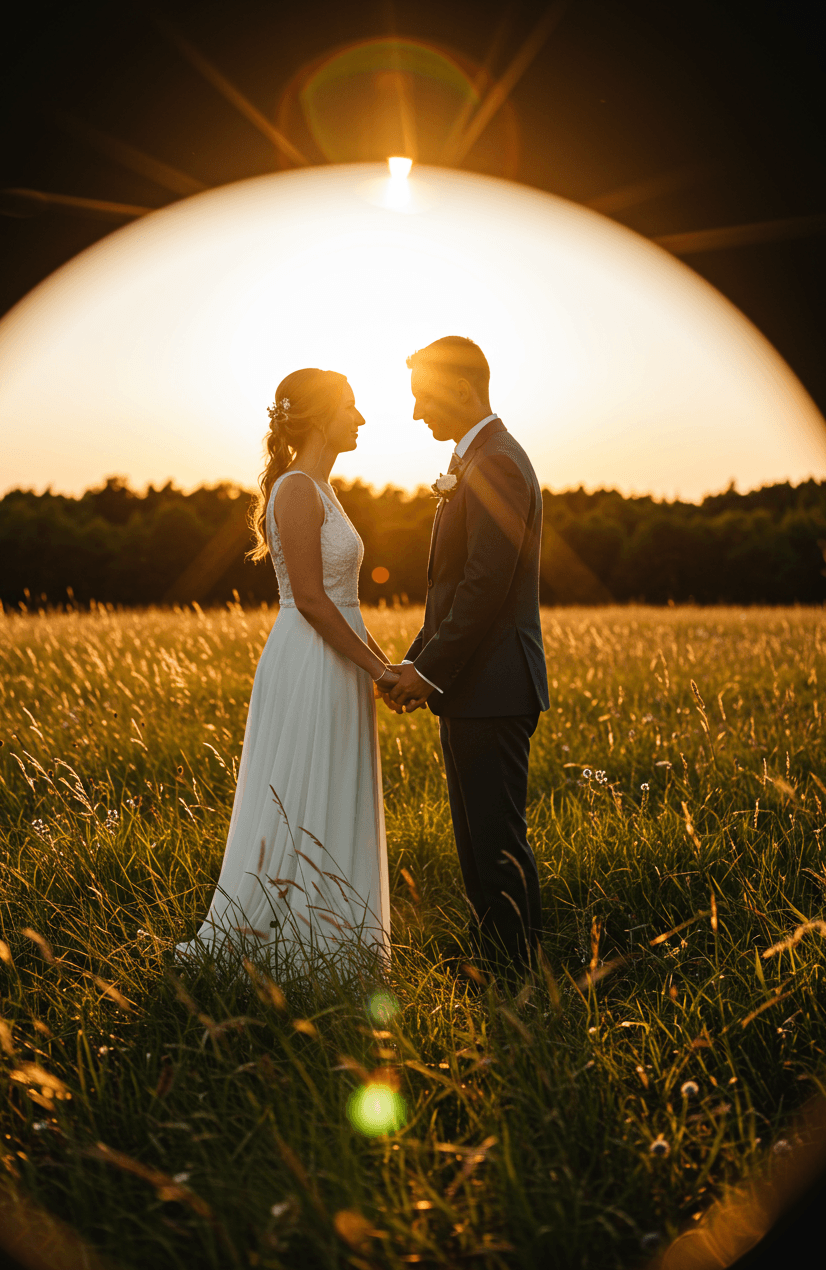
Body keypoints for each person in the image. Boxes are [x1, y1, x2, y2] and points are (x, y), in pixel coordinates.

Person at [176, 369, 396, 964]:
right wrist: (380, 674)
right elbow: (312, 599)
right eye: (352, 407)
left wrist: (386, 666)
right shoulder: (297, 488)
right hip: (310, 660)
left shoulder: (321, 488)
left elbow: (345, 603)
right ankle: (293, 947)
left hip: (337, 655)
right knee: (302, 786)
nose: (362, 418)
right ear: (322, 417)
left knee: (332, 781)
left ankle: (332, 938)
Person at [384, 336, 549, 976]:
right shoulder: (477, 458)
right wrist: (415, 663)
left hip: (495, 686)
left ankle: (518, 982)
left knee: (496, 845)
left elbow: (486, 585)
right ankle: (497, 967)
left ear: (460, 389)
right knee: (477, 846)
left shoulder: (499, 462)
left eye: (423, 397)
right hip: (473, 686)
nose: (417, 413)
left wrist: (425, 673)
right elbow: (451, 588)